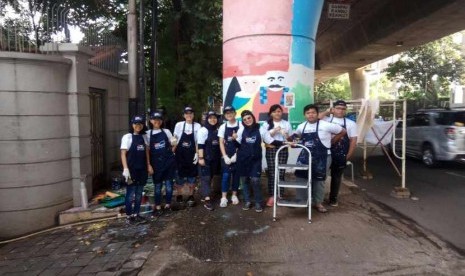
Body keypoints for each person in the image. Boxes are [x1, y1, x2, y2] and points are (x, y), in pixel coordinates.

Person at [293, 104, 346, 213]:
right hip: (305, 156)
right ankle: (302, 200)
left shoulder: (326, 125)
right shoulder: (301, 126)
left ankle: (318, 203)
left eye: (313, 112)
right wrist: (291, 140)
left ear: (317, 114)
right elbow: (296, 136)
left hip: (323, 156)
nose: (310, 115)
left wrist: (332, 141)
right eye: (308, 113)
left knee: (319, 180)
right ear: (304, 115)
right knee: (301, 177)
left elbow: (343, 131)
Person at [319, 100, 358, 207]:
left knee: (336, 177)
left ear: (345, 111)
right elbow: (316, 118)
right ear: (334, 109)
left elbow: (353, 141)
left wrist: (348, 155)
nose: (340, 111)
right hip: (325, 153)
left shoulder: (351, 124)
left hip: (340, 154)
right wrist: (327, 111)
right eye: (338, 108)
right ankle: (319, 199)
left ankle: (333, 199)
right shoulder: (326, 119)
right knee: (321, 176)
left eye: (343, 109)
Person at [261, 104, 293, 207]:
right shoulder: (266, 124)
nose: (277, 113)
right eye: (274, 111)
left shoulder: (286, 123)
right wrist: (274, 130)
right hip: (271, 149)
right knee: (272, 172)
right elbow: (265, 138)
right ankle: (272, 195)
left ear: (282, 112)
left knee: (281, 171)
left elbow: (290, 140)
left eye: (279, 111)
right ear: (271, 113)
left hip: (283, 149)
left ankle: (280, 194)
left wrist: (286, 135)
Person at [120, 115, 150, 224]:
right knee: (130, 193)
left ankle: (136, 214)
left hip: (141, 170)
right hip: (131, 170)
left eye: (140, 124)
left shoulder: (144, 137)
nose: (138, 126)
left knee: (139, 193)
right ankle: (129, 215)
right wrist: (125, 168)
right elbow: (123, 153)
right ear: (132, 125)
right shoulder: (127, 137)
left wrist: (148, 165)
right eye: (136, 124)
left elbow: (146, 152)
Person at [147, 112, 177, 217]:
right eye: (154, 119)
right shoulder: (147, 133)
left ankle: (168, 205)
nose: (157, 121)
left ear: (161, 121)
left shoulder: (166, 131)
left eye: (159, 119)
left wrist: (172, 152)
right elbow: (147, 150)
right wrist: (149, 164)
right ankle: (158, 207)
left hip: (168, 162)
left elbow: (174, 142)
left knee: (169, 186)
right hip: (156, 164)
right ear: (151, 121)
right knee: (157, 186)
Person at [236, 110, 266, 212]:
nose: (247, 120)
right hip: (243, 159)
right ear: (243, 121)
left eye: (249, 118)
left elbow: (269, 140)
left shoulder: (261, 129)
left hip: (255, 160)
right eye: (244, 119)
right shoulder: (241, 130)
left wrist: (283, 142)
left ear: (253, 117)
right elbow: (238, 145)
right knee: (244, 180)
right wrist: (234, 139)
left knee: (255, 180)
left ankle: (258, 202)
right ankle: (247, 201)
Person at [173, 106, 201, 207]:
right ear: (184, 115)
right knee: (179, 176)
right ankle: (179, 195)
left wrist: (197, 154)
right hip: (180, 155)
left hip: (191, 155)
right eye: (186, 113)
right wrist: (173, 151)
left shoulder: (198, 126)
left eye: (191, 113)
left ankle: (191, 195)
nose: (189, 115)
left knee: (192, 177)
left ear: (193, 115)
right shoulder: (179, 125)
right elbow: (175, 139)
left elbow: (198, 142)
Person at [218, 105, 243, 208]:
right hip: (227, 154)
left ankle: (234, 195)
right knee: (226, 176)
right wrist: (225, 156)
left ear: (235, 113)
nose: (229, 114)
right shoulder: (223, 126)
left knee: (236, 176)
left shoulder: (241, 125)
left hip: (238, 154)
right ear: (225, 115)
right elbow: (221, 142)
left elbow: (242, 141)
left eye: (231, 112)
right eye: (227, 113)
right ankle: (223, 197)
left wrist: (237, 154)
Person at [197, 111, 222, 211]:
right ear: (207, 119)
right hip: (206, 158)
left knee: (210, 177)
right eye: (210, 118)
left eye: (214, 118)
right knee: (206, 178)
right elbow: (200, 145)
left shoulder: (218, 129)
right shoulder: (203, 130)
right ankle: (207, 200)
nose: (213, 119)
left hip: (215, 159)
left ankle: (204, 194)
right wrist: (201, 158)